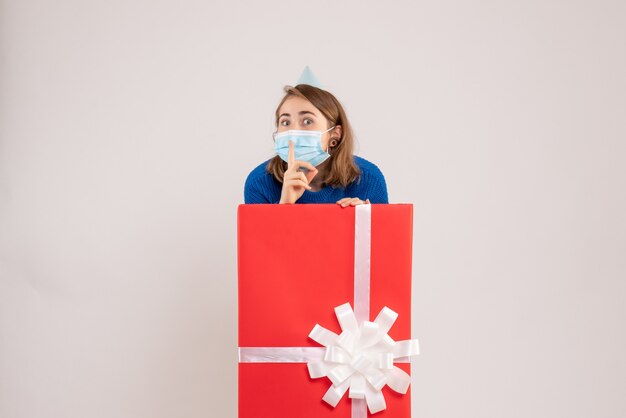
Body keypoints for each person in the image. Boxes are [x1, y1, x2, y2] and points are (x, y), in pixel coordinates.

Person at [244, 68, 388, 207]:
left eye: (307, 121)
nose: (293, 131)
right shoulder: (259, 183)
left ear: (335, 134)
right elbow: (260, 233)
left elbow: (386, 231)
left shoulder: (368, 178)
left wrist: (365, 219)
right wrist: (285, 205)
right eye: (285, 122)